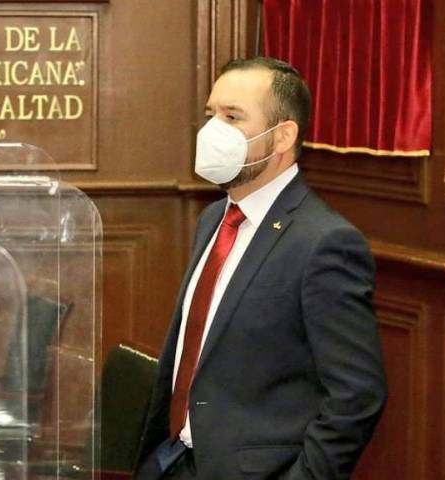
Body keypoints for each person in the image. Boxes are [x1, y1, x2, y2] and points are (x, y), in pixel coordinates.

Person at [133, 57, 388, 480]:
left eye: (232, 117)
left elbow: (357, 396)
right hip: (172, 459)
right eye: (211, 114)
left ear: (282, 136)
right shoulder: (214, 219)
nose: (212, 130)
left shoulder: (325, 243)